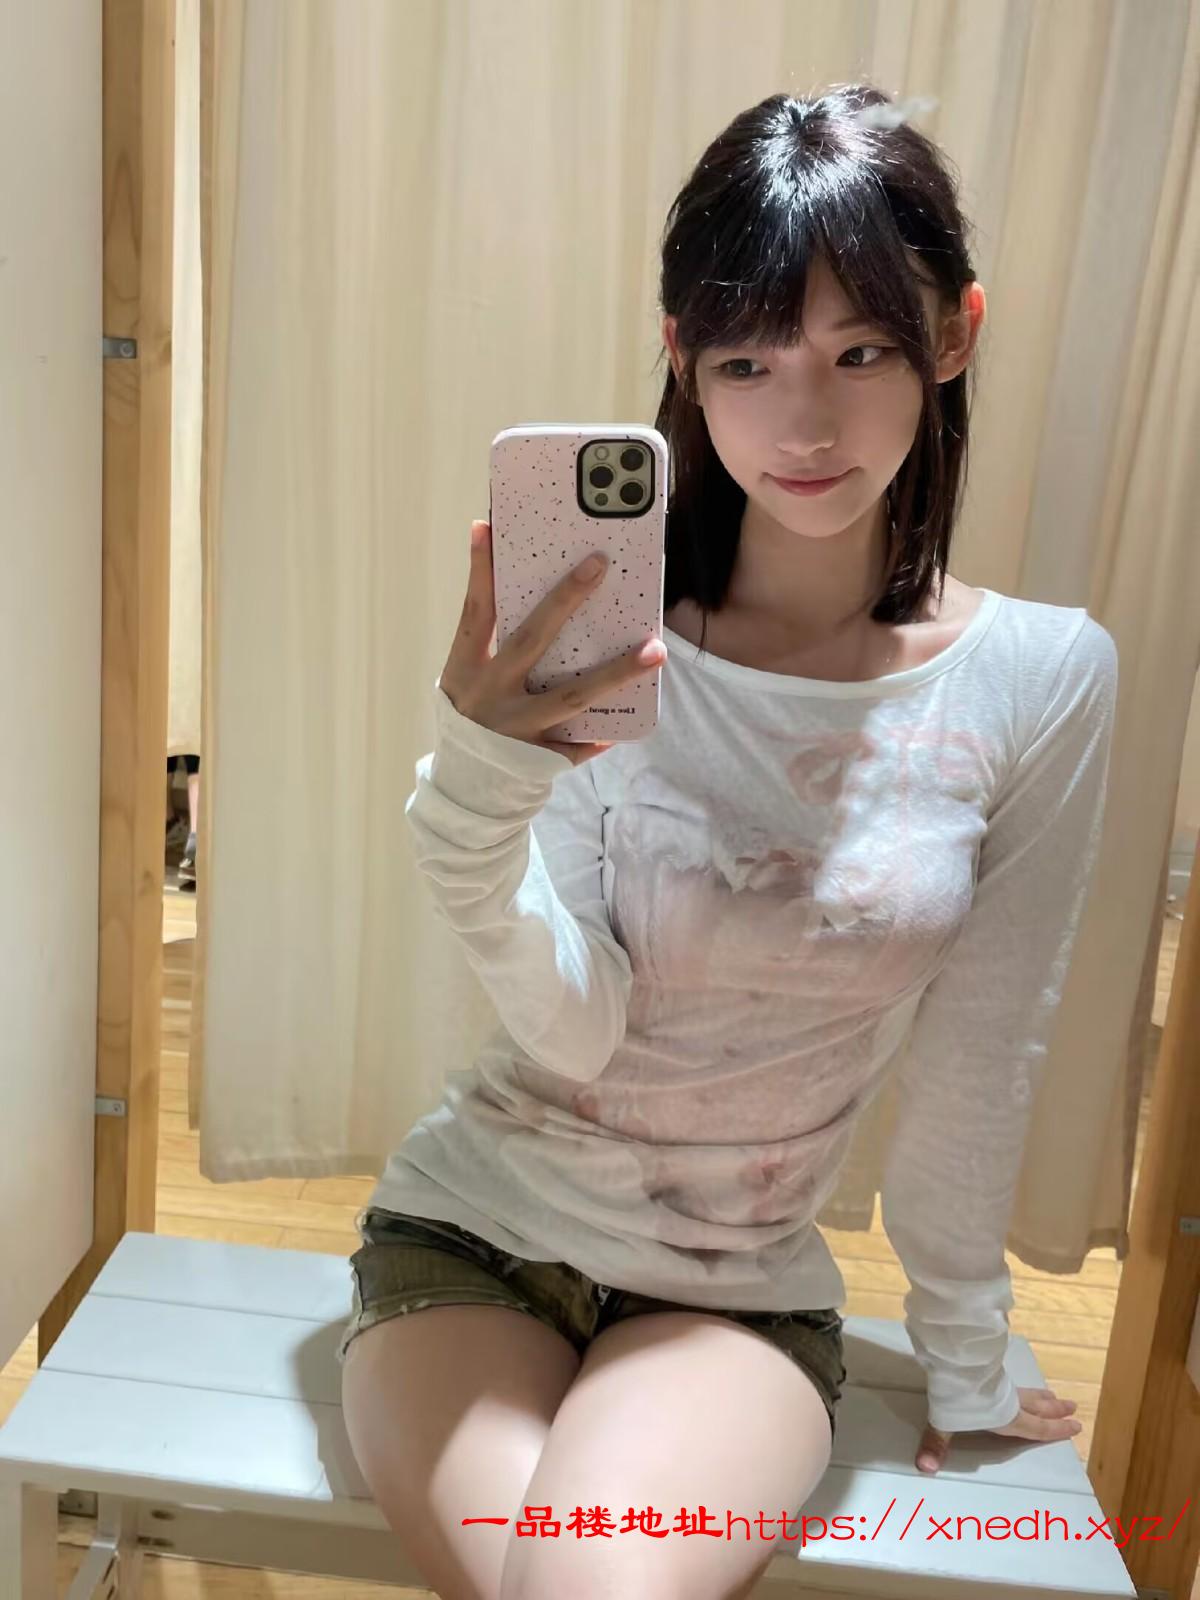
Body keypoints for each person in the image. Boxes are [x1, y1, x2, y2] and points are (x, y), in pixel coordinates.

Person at [340, 84, 1116, 1600]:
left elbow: (984, 1050)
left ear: (955, 335)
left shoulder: (1040, 679)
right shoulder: (616, 648)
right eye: (746, 362)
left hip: (737, 1295)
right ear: (683, 361)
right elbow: (574, 1028)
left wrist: (965, 1354)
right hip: (476, 1234)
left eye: (861, 352)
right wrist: (478, 791)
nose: (803, 423)